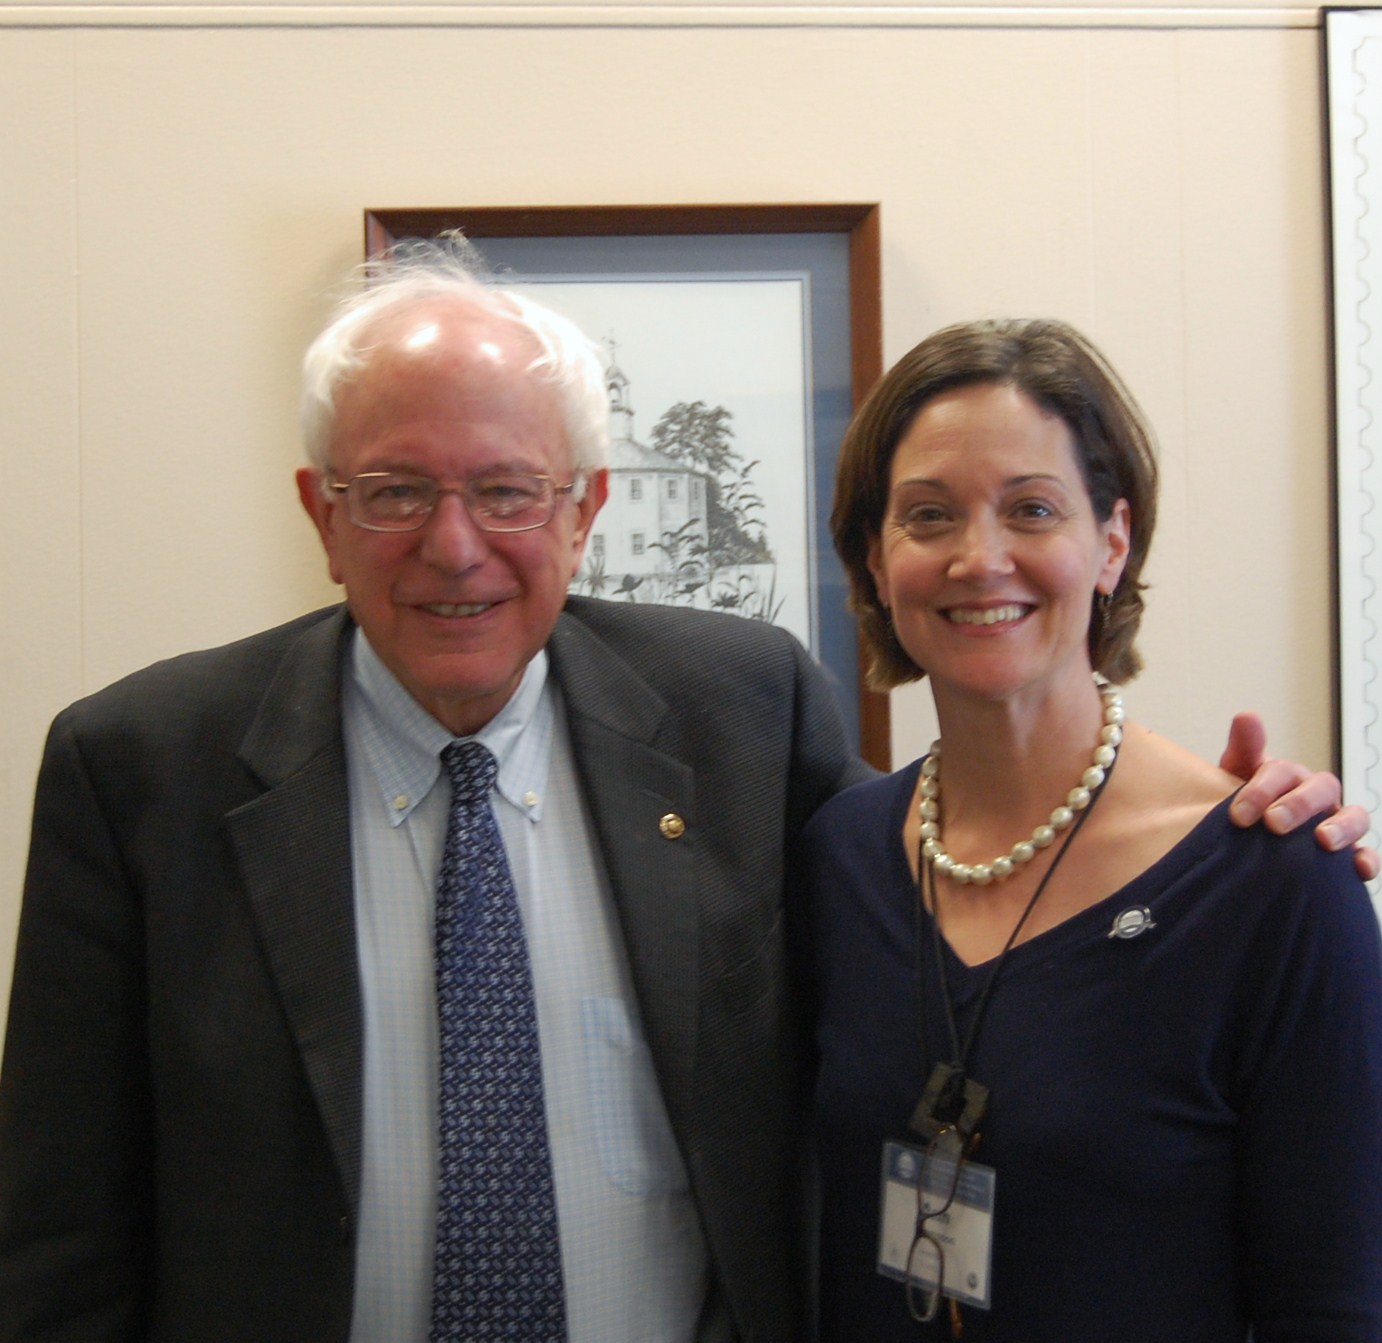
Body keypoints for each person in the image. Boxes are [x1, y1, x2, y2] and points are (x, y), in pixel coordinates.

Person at [0, 251, 1368, 1343]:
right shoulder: (139, 771)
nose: (454, 542)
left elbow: (1014, 861)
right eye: (394, 489)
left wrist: (1256, 823)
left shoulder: (740, 715)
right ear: (319, 508)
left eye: (506, 488)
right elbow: (58, 1238)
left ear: (585, 505)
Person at [805, 316, 1382, 1341]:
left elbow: (1331, 1303)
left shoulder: (1272, 880)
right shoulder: (836, 857)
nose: (978, 558)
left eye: (1030, 508)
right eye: (926, 514)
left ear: (1110, 541)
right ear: (871, 556)